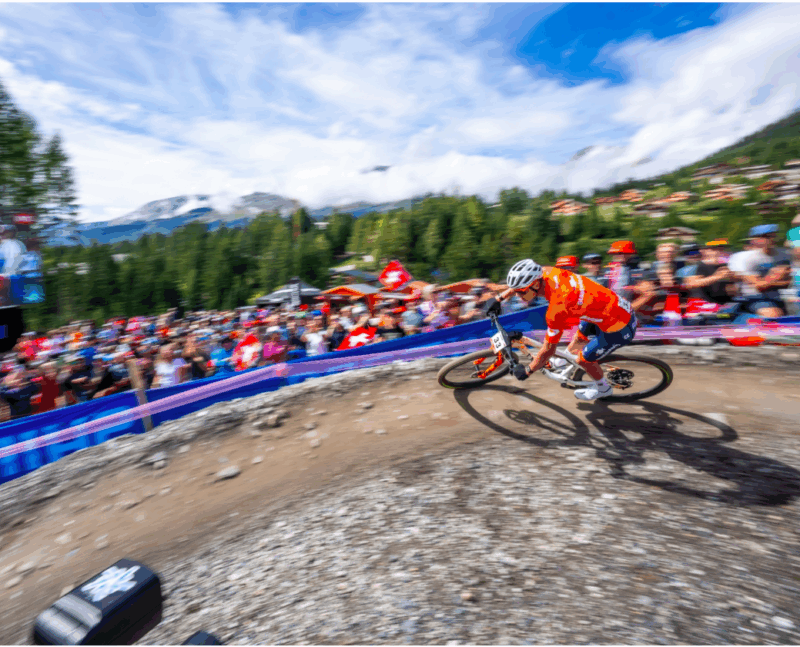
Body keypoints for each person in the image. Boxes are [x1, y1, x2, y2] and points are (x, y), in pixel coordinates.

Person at [485, 258, 637, 401]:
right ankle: (563, 362)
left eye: (521, 292)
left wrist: (528, 371)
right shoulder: (546, 272)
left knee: (584, 359)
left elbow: (548, 349)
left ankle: (603, 389)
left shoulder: (558, 308)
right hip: (605, 307)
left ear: (536, 285)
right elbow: (520, 285)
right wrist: (499, 299)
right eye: (517, 291)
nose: (517, 296)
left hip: (619, 325)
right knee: (579, 338)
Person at [728, 224, 792, 318]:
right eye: (765, 236)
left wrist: (774, 280)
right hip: (754, 299)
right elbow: (759, 286)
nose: (770, 239)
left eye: (772, 235)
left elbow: (790, 282)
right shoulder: (743, 257)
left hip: (784, 296)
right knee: (774, 315)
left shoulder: (784, 254)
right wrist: (777, 276)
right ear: (753, 240)